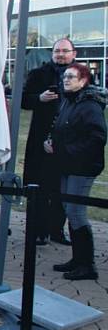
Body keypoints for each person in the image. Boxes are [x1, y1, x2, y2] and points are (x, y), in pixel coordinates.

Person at [46, 62, 105, 281]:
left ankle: (87, 264)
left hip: (82, 168)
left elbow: (97, 139)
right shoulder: (68, 101)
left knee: (77, 212)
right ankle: (77, 259)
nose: (66, 80)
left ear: (83, 80)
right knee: (70, 210)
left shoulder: (90, 105)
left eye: (71, 76)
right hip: (66, 165)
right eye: (65, 77)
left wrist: (62, 149)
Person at [22, 38, 77, 246]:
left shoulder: (80, 76)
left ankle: (57, 231)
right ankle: (38, 231)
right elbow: (23, 99)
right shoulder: (39, 74)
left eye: (65, 51)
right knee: (39, 186)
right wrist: (39, 98)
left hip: (68, 141)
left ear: (74, 53)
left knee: (62, 188)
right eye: (57, 51)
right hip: (41, 139)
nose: (60, 54)